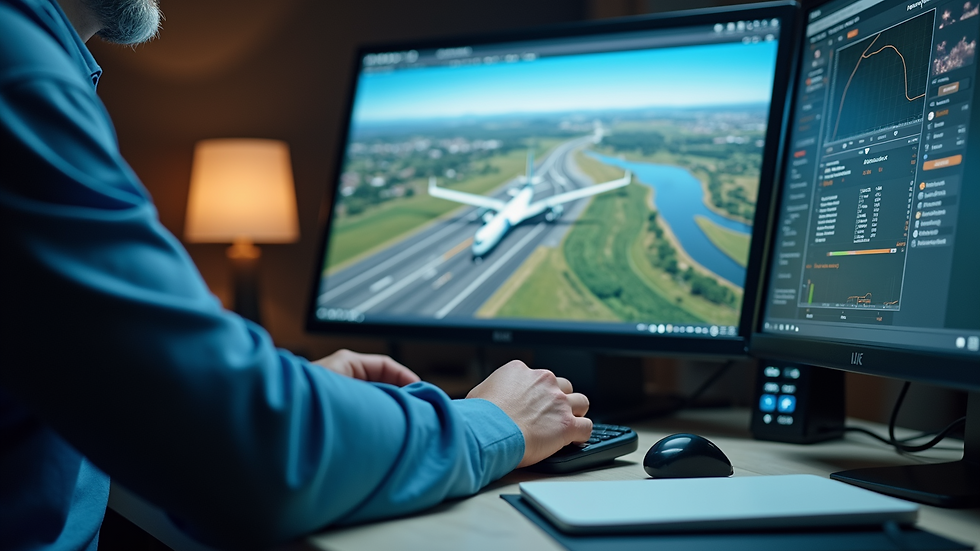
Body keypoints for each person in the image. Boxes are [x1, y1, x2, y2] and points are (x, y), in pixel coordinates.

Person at [0, 0, 593, 549]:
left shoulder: (42, 66)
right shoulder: (20, 71)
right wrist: (493, 423)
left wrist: (289, 396)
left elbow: (117, 385)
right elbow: (247, 456)